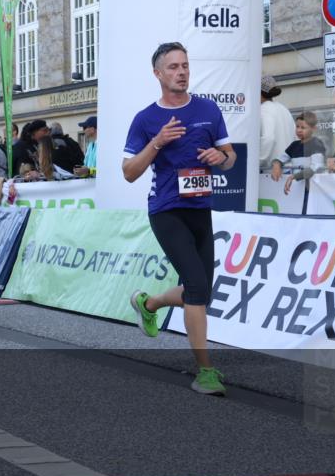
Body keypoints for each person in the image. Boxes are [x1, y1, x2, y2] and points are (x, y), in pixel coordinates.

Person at [123, 41, 236, 396]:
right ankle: (205, 371)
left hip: (200, 209)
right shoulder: (146, 119)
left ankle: (149, 303)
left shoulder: (208, 109)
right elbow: (129, 172)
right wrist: (157, 142)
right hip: (167, 210)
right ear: (158, 73)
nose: (181, 72)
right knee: (197, 289)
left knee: (200, 290)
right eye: (173, 67)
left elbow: (230, 156)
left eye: (185, 65)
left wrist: (221, 157)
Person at [270, 111, 325, 194]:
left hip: (312, 190)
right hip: (298, 190)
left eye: (303, 128)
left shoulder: (316, 144)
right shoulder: (294, 145)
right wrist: (276, 165)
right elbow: (280, 159)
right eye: (297, 126)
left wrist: (294, 177)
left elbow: (315, 168)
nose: (299, 130)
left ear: (313, 129)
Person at [258, 74, 295, 169]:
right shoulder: (284, 109)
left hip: (271, 171)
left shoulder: (264, 109)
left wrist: (258, 162)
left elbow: (268, 139)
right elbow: (296, 138)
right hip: (289, 167)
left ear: (259, 92)